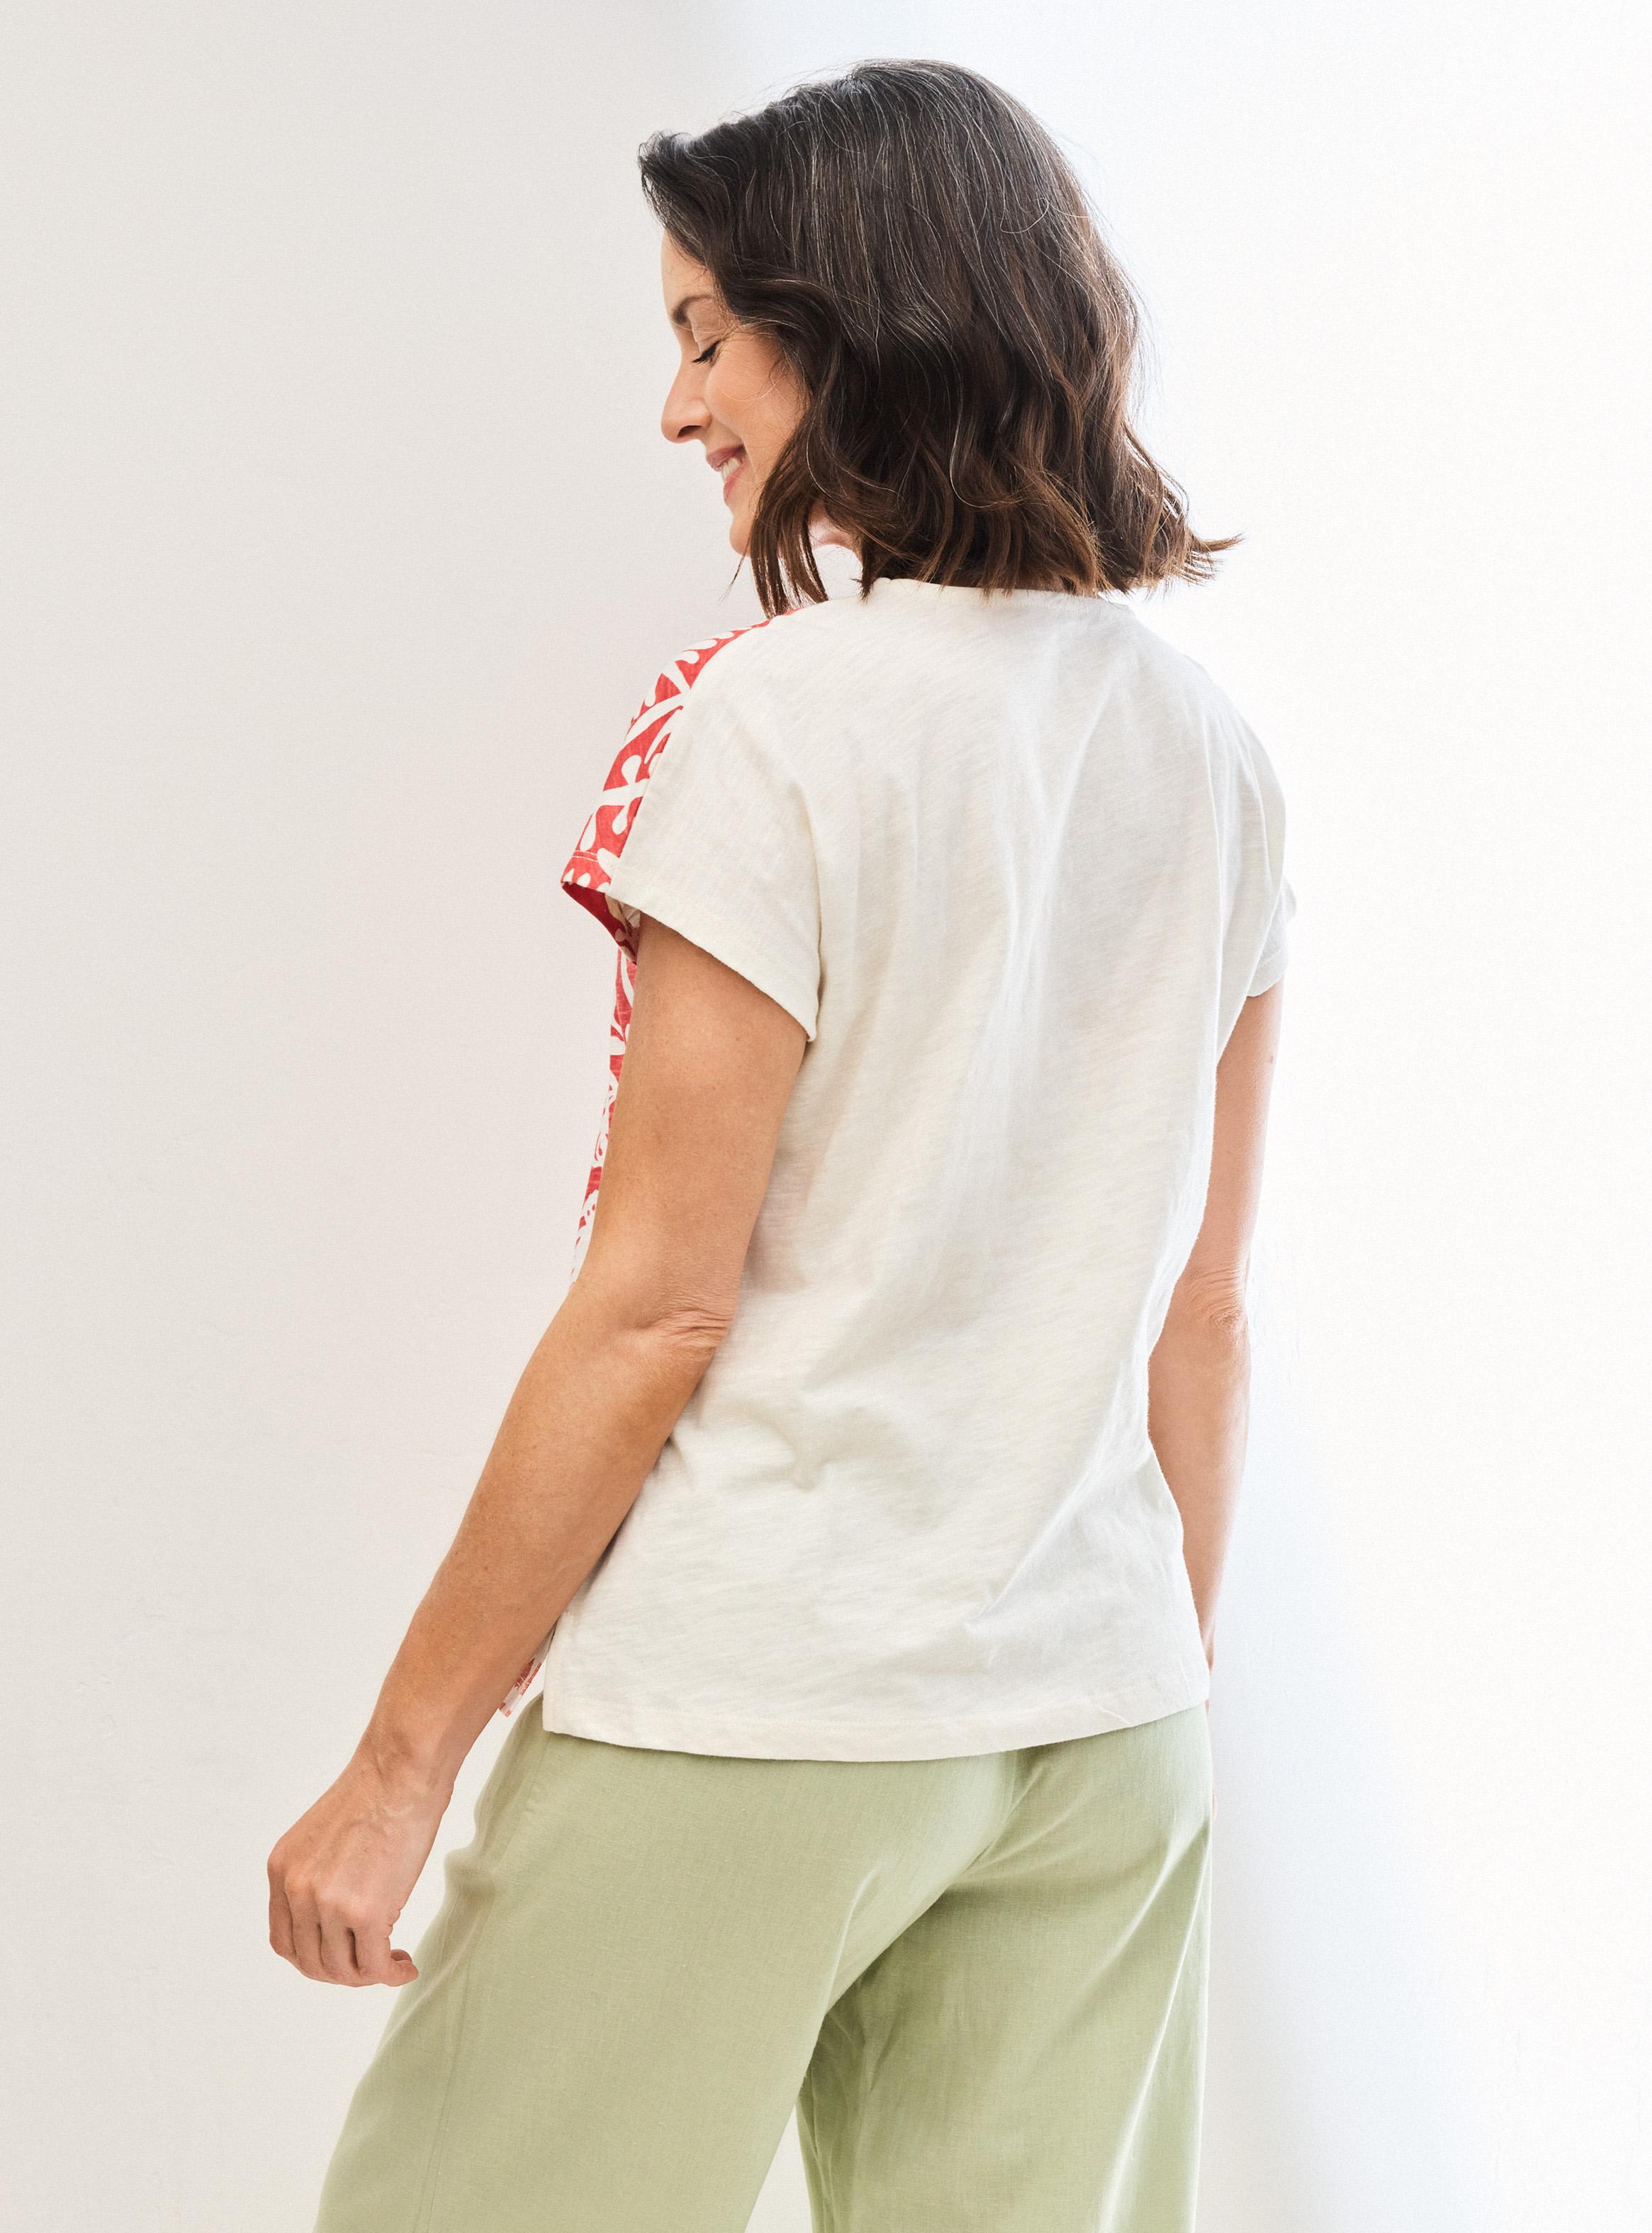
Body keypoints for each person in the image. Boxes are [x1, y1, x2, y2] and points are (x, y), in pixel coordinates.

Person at [269, 56, 1293, 2233]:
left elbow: (658, 1305)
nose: (679, 408)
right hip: (1102, 1733)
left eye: (706, 338)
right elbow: (1204, 1305)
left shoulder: (782, 717)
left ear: (851, 328)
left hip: (761, 1702)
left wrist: (396, 1769)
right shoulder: (1208, 751)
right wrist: (1127, 1671)